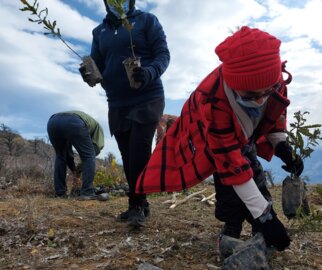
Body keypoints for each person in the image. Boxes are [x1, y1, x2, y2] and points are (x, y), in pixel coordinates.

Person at [135, 26, 304, 252]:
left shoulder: (274, 80)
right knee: (229, 184)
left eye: (268, 92)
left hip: (244, 136)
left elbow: (274, 114)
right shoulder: (213, 102)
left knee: (256, 176)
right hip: (212, 139)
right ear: (235, 86)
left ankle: (259, 235)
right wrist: (266, 217)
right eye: (252, 96)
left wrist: (281, 144)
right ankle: (230, 231)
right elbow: (230, 163)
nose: (260, 100)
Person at [80, 0, 170, 226]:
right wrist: (88, 73)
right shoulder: (99, 32)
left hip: (147, 97)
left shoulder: (147, 21)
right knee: (128, 154)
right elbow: (98, 64)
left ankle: (136, 204)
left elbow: (163, 55)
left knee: (139, 149)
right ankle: (142, 202)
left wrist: (149, 72)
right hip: (117, 102)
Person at [47, 111, 104, 200]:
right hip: (73, 121)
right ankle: (87, 192)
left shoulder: (84, 125)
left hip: (53, 122)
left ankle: (60, 193)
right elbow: (95, 148)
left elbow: (68, 154)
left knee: (61, 156)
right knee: (89, 155)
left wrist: (74, 170)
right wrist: (80, 168)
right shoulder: (98, 128)